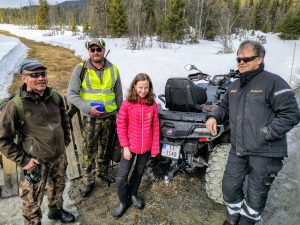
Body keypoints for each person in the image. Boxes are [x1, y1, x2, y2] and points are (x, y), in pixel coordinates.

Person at [205, 40, 300, 225]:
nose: (241, 62)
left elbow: (291, 114)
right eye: (238, 59)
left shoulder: (273, 82)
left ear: (259, 59)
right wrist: (213, 117)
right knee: (229, 187)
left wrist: (265, 133)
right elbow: (223, 106)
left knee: (256, 193)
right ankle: (233, 216)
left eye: (246, 58)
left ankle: (247, 221)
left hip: (265, 151)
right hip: (239, 148)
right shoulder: (234, 85)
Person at [0, 59, 75, 225]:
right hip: (35, 162)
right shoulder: (15, 105)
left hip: (58, 157)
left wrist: (65, 142)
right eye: (34, 74)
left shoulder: (54, 97)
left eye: (43, 74)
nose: (41, 78)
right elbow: (3, 140)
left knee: (58, 187)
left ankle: (56, 211)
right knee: (32, 202)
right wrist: (24, 161)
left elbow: (65, 122)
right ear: (23, 78)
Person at [67, 38, 123, 197]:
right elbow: (71, 94)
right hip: (90, 119)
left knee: (106, 149)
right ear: (88, 52)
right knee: (88, 151)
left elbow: (119, 95)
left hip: (110, 117)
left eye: (98, 49)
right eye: (92, 50)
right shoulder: (80, 69)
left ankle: (102, 171)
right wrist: (87, 108)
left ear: (104, 50)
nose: (96, 52)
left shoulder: (113, 69)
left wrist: (121, 115)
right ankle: (88, 181)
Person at [113, 73, 160, 218]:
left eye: (146, 88)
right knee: (122, 177)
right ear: (134, 86)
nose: (143, 91)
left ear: (149, 88)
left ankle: (133, 195)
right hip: (129, 148)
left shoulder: (152, 105)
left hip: (145, 148)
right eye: (140, 87)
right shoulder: (127, 104)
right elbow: (120, 126)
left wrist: (155, 147)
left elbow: (155, 126)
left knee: (139, 173)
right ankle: (123, 201)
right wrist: (125, 147)